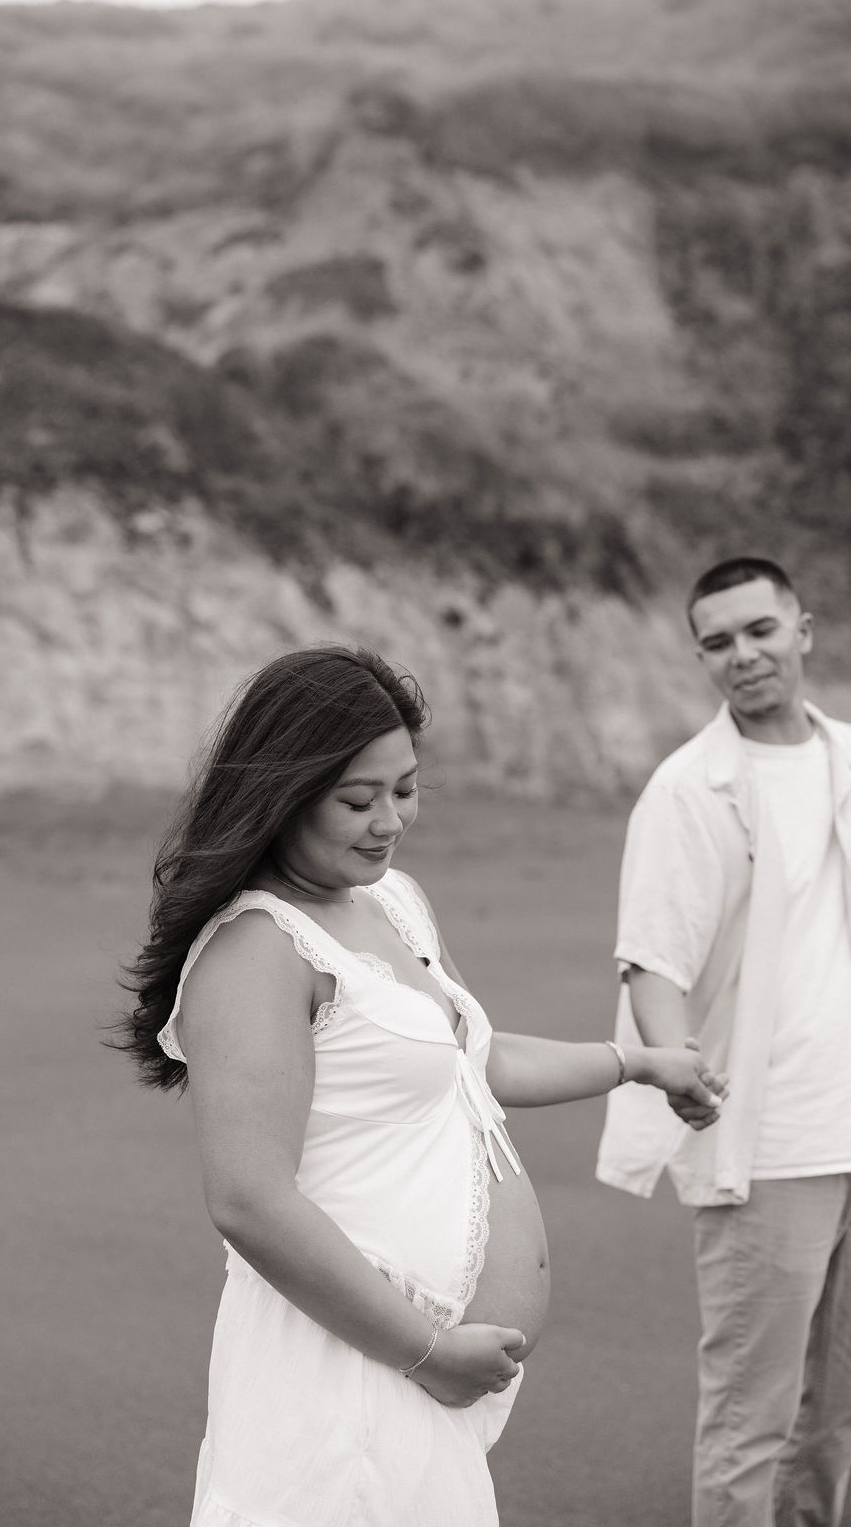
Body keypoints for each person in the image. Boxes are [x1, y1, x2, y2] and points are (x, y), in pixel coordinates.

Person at [115, 644, 725, 1527]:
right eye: (357, 800)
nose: (390, 820)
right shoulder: (257, 951)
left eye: (405, 790)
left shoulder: (391, 901)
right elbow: (248, 1199)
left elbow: (473, 1062)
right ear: (280, 793)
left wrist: (637, 1063)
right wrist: (426, 1351)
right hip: (348, 1370)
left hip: (417, 1376)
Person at [597, 557, 851, 1527]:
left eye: (759, 631)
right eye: (718, 642)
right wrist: (674, 1063)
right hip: (767, 1148)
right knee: (749, 1420)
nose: (743, 655)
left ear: (802, 630)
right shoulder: (687, 792)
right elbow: (651, 960)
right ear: (701, 658)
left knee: (847, 1408)